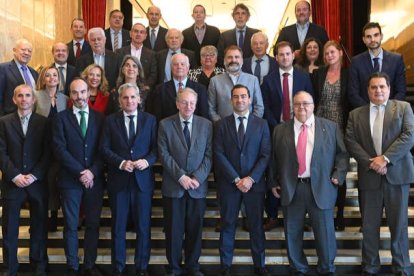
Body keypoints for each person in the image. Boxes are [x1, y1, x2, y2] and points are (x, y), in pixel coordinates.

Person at [270, 91, 348, 275]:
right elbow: (273, 159)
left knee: (325, 234)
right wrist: (273, 182)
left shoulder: (330, 127)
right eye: (297, 104)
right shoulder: (280, 130)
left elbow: (342, 155)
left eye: (306, 103)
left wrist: (339, 174)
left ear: (313, 106)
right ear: (292, 107)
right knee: (292, 232)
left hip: (321, 187)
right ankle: (298, 267)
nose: (301, 107)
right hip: (292, 188)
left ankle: (327, 268)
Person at [345, 72, 414, 275]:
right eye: (373, 87)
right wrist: (371, 162)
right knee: (369, 225)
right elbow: (350, 141)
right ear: (368, 91)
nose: (378, 90)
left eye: (382, 87)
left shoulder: (403, 108)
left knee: (399, 224)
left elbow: (409, 136)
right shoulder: (355, 114)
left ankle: (402, 266)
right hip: (370, 176)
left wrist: (385, 159)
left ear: (389, 88)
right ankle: (371, 265)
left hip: (397, 175)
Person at [100, 83, 157, 276]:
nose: (129, 101)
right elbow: (104, 149)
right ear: (119, 100)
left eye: (133, 97)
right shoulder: (109, 121)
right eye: (125, 97)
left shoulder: (150, 120)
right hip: (119, 181)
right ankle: (118, 266)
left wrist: (147, 162)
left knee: (143, 227)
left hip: (143, 182)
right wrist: (121, 162)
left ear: (139, 99)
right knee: (118, 227)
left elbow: (156, 149)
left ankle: (142, 267)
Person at [214, 84, 270, 276]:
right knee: (228, 224)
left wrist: (251, 179)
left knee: (256, 226)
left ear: (250, 99)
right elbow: (219, 154)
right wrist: (237, 178)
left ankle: (259, 265)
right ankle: (225, 266)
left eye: (243, 96)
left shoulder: (261, 124)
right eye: (236, 97)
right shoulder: (221, 125)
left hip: (253, 186)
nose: (240, 100)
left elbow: (265, 155)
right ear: (231, 100)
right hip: (229, 184)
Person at [158, 88, 212, 276]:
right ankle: (173, 267)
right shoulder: (165, 125)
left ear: (196, 104)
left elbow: (209, 155)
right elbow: (163, 154)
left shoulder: (206, 125)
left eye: (191, 103)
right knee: (173, 231)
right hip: (174, 186)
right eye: (184, 102)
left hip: (197, 187)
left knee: (195, 230)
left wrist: (197, 177)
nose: (188, 106)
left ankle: (192, 266)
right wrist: (181, 176)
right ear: (177, 103)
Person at [53, 78, 105, 276]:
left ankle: (89, 265)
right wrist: (81, 172)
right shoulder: (60, 118)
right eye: (74, 93)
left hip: (95, 180)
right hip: (69, 181)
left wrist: (92, 171)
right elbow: (59, 149)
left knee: (92, 223)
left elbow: (104, 149)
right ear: (70, 94)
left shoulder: (100, 118)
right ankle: (73, 265)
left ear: (88, 93)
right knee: (71, 224)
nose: (79, 97)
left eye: (83, 92)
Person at [0, 84, 50, 276]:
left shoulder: (43, 123)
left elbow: (48, 152)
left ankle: (38, 267)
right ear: (14, 99)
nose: (24, 99)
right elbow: (1, 153)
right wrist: (15, 175)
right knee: (10, 229)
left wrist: (34, 174)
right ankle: (10, 268)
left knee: (39, 228)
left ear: (34, 99)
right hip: (12, 183)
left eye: (28, 95)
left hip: (36, 183)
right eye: (20, 96)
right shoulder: (3, 122)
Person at [312, 40, 349, 230]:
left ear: (340, 53)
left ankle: (339, 213)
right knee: (322, 167)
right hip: (320, 124)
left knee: (339, 169)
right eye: (326, 53)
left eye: (332, 52)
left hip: (341, 126)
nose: (329, 56)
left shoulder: (349, 74)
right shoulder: (318, 74)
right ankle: (322, 208)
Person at [34, 65, 68, 231]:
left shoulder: (65, 98)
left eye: (55, 75)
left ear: (59, 79)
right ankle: (41, 218)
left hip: (58, 148)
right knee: (42, 182)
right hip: (39, 147)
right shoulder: (35, 96)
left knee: (53, 182)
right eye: (48, 75)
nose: (52, 78)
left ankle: (53, 217)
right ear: (43, 78)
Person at [348, 22, 406, 108]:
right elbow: (353, 93)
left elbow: (401, 91)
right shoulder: (356, 62)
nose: (373, 39)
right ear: (364, 40)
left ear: (381, 36)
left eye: (376, 35)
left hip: (391, 114)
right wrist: (371, 111)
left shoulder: (396, 60)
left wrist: (388, 110)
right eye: (368, 36)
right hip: (365, 115)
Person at [261, 41, 313, 131]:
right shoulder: (268, 80)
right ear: (276, 58)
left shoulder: (304, 77)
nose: (285, 57)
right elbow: (265, 106)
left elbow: (311, 101)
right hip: (276, 127)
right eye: (281, 55)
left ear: (293, 56)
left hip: (300, 126)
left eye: (288, 54)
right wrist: (276, 126)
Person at [208, 45, 264, 123]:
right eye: (229, 57)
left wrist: (250, 124)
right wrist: (221, 125)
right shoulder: (214, 81)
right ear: (224, 60)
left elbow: (259, 107)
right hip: (224, 129)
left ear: (242, 60)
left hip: (249, 128)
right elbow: (211, 108)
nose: (233, 60)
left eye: (237, 57)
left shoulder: (253, 80)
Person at [149, 53, 209, 121]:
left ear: (188, 67)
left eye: (182, 64)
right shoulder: (160, 90)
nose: (179, 67)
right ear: (171, 67)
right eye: (175, 64)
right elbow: (157, 117)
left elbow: (204, 117)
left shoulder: (200, 89)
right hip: (168, 129)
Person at [0, 38, 38, 115]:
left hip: (33, 118)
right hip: (10, 118)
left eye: (29, 51)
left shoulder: (34, 73)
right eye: (23, 50)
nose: (26, 53)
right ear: (14, 50)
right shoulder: (3, 69)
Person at [116, 23, 158, 90]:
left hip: (144, 91)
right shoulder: (119, 52)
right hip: (123, 89)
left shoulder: (152, 54)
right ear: (130, 34)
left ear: (145, 36)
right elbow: (117, 71)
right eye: (136, 31)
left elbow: (153, 74)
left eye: (141, 32)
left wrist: (146, 86)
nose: (138, 34)